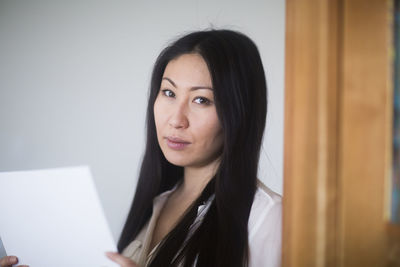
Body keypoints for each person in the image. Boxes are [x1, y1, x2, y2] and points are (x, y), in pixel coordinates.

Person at [0, 29, 281, 267]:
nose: (175, 119)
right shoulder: (157, 201)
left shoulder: (267, 218)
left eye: (201, 100)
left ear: (239, 112)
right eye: (169, 93)